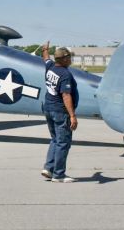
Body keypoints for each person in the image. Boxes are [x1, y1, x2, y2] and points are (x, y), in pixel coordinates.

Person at [40, 42, 79, 183]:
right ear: (63, 59)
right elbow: (66, 95)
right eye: (68, 57)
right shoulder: (65, 74)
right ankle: (59, 175)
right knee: (63, 143)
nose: (70, 59)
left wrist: (45, 49)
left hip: (48, 108)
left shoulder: (50, 67)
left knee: (55, 139)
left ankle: (48, 168)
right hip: (60, 111)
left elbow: (46, 58)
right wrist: (73, 116)